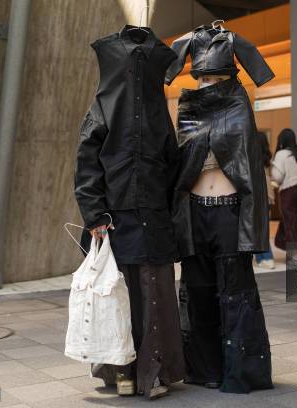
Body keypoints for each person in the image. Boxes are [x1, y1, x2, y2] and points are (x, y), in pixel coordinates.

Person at [74, 25, 185, 399]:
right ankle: (122, 371)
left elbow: (170, 162)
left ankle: (152, 372)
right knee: (117, 294)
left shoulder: (155, 110)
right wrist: (95, 214)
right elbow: (87, 161)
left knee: (153, 293)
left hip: (151, 214)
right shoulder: (105, 105)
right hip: (115, 217)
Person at [165, 23, 274, 393]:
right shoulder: (188, 107)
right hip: (195, 211)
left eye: (215, 74)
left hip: (228, 210)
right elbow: (180, 166)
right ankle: (204, 368)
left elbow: (248, 167)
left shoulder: (239, 107)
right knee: (197, 288)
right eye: (203, 75)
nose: (208, 80)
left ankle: (239, 372)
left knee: (235, 291)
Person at [254, 131, 276, 269]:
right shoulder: (268, 159)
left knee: (257, 227)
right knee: (263, 227)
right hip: (268, 196)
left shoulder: (252, 157)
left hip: (257, 194)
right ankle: (261, 257)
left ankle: (265, 257)